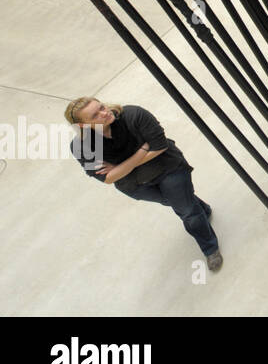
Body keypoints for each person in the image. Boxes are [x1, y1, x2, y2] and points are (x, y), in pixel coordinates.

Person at [65, 97, 223, 272]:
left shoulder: (134, 115)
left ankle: (210, 249)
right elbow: (108, 179)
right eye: (95, 115)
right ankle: (203, 210)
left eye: (101, 107)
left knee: (187, 212)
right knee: (179, 201)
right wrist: (142, 151)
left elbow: (160, 146)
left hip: (167, 167)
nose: (104, 113)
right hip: (135, 185)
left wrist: (120, 167)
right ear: (82, 125)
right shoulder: (81, 146)